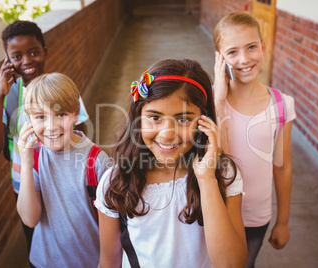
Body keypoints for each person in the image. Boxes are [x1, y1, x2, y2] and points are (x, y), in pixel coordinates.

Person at [95, 59, 248, 267]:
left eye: (183, 119)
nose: (167, 135)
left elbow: (231, 264)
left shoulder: (223, 174)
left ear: (204, 122)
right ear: (138, 119)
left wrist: (206, 179)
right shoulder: (116, 181)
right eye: (155, 118)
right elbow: (109, 261)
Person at [0, 20, 89, 252]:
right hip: (26, 185)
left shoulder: (63, 89)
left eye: (33, 52)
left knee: (71, 240)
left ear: (44, 52)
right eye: (16, 56)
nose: (27, 61)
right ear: (7, 61)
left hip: (64, 182)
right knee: (37, 242)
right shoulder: (6, 96)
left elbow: (82, 135)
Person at [212, 12, 296, 268]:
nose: (245, 59)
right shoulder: (210, 101)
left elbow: (282, 167)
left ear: (263, 46)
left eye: (251, 47)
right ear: (220, 57)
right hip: (216, 212)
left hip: (257, 216)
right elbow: (217, 155)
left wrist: (283, 221)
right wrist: (218, 101)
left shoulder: (282, 105)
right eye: (233, 52)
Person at [17, 72, 109, 267]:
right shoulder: (33, 157)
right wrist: (25, 164)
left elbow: (113, 225)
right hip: (45, 261)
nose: (51, 126)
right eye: (40, 116)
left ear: (75, 114)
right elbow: (30, 219)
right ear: (30, 121)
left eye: (61, 114)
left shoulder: (96, 161)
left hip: (90, 262)